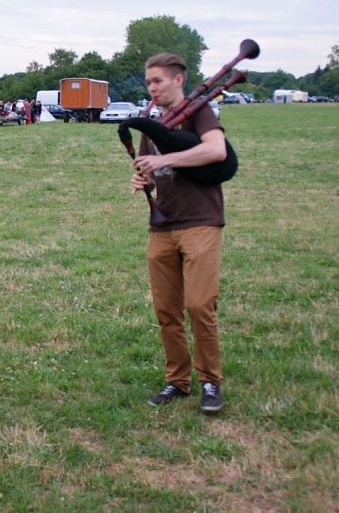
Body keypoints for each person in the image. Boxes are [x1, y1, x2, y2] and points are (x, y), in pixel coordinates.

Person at [129, 53, 228, 414]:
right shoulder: (152, 126)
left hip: (200, 221)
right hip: (162, 225)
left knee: (199, 305)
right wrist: (143, 179)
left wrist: (165, 159)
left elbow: (216, 150)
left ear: (178, 80)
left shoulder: (199, 113)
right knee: (166, 310)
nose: (152, 88)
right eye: (148, 82)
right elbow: (152, 171)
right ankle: (177, 380)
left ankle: (210, 381)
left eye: (157, 81)